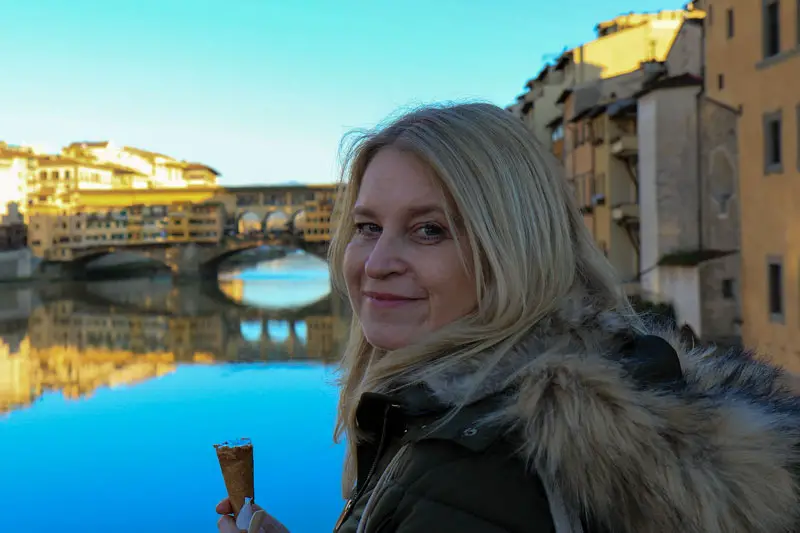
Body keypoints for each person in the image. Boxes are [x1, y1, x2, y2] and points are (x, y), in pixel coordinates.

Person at [217, 102, 800, 533]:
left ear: (513, 249)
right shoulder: (621, 385)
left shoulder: (479, 472)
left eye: (430, 230)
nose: (377, 262)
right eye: (368, 227)